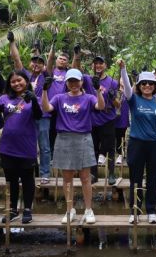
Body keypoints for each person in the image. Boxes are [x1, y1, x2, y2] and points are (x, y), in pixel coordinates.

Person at [42, 68, 105, 224]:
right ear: (66, 82)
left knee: (85, 177)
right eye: (70, 81)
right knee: (67, 178)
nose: (74, 84)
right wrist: (44, 90)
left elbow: (100, 106)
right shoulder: (59, 97)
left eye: (76, 81)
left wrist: (98, 90)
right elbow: (46, 108)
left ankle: (89, 210)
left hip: (83, 138)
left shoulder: (88, 97)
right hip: (64, 139)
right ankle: (70, 210)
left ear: (81, 81)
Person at [0, 70, 42, 224]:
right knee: (11, 180)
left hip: (27, 146)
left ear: (26, 81)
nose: (16, 83)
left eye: (19, 80)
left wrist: (33, 100)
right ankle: (13, 209)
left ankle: (27, 209)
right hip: (8, 147)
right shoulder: (4, 98)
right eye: (13, 81)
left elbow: (38, 115)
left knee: (27, 179)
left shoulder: (34, 98)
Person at [118, 61, 156, 223]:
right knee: (135, 178)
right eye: (144, 83)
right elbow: (127, 88)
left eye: (151, 83)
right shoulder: (134, 99)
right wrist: (123, 69)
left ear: (155, 85)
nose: (147, 86)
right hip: (137, 144)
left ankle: (151, 210)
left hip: (155, 144)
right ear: (139, 85)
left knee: (153, 178)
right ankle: (134, 210)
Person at [8, 32, 52, 185]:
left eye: (39, 63)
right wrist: (12, 42)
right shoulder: (25, 76)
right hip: (26, 115)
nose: (36, 64)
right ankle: (26, 173)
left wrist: (51, 46)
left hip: (43, 115)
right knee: (26, 144)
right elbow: (16, 59)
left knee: (44, 146)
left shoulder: (46, 76)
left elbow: (50, 61)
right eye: (33, 62)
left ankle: (45, 173)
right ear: (29, 64)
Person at [82, 55, 121, 186]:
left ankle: (111, 174)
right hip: (92, 119)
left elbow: (118, 105)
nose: (98, 65)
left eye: (101, 63)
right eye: (96, 63)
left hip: (108, 119)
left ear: (105, 66)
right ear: (92, 65)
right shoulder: (87, 79)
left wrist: (112, 97)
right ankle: (94, 174)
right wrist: (77, 56)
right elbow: (76, 71)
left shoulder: (112, 82)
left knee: (110, 148)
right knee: (92, 148)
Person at [114, 75, 130, 165]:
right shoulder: (115, 91)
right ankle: (117, 154)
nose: (123, 80)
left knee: (122, 136)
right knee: (115, 137)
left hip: (124, 117)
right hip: (115, 118)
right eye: (122, 78)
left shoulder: (129, 92)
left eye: (125, 79)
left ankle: (122, 154)